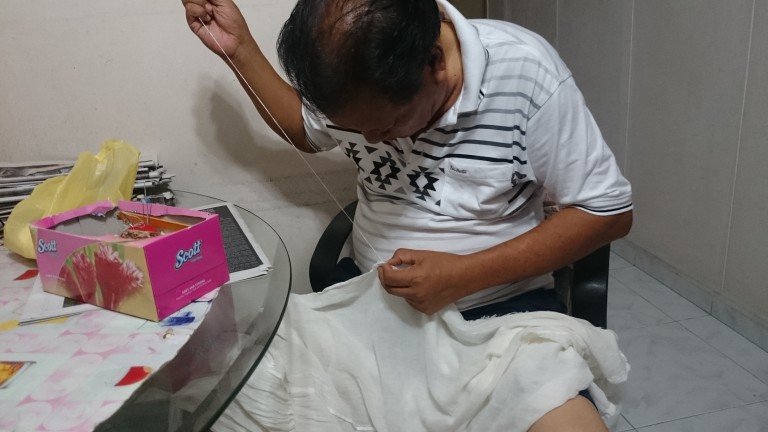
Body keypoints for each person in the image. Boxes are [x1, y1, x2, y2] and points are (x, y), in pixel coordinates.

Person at [183, 0, 633, 430]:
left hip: (502, 318)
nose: (371, 140)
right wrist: (239, 50)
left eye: (389, 124)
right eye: (356, 129)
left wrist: (465, 274)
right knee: (228, 398)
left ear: (434, 62)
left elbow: (608, 212)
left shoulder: (526, 71)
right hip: (372, 311)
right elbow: (305, 129)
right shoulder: (357, 83)